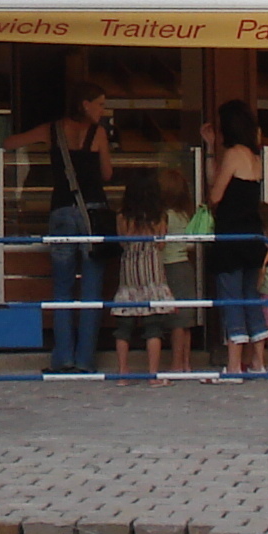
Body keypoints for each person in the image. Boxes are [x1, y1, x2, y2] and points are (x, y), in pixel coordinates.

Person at [13, 89, 113, 376]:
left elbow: (11, 142)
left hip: (61, 212)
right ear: (85, 103)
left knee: (62, 289)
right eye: (101, 104)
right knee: (92, 290)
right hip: (93, 213)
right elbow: (107, 173)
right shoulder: (99, 134)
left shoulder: (52, 130)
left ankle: (63, 359)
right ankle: (85, 361)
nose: (103, 111)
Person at [202, 98, 268, 377]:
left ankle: (234, 365)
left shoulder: (233, 154)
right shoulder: (254, 156)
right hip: (252, 234)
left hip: (231, 236)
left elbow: (215, 194)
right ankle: (258, 362)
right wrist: (210, 150)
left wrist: (212, 152)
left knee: (230, 297)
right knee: (250, 297)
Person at [107, 163, 177, 382]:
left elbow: (121, 243)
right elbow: (162, 245)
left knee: (124, 328)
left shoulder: (123, 216)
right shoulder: (159, 216)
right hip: (152, 273)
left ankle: (122, 373)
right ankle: (153, 374)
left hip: (129, 275)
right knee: (153, 327)